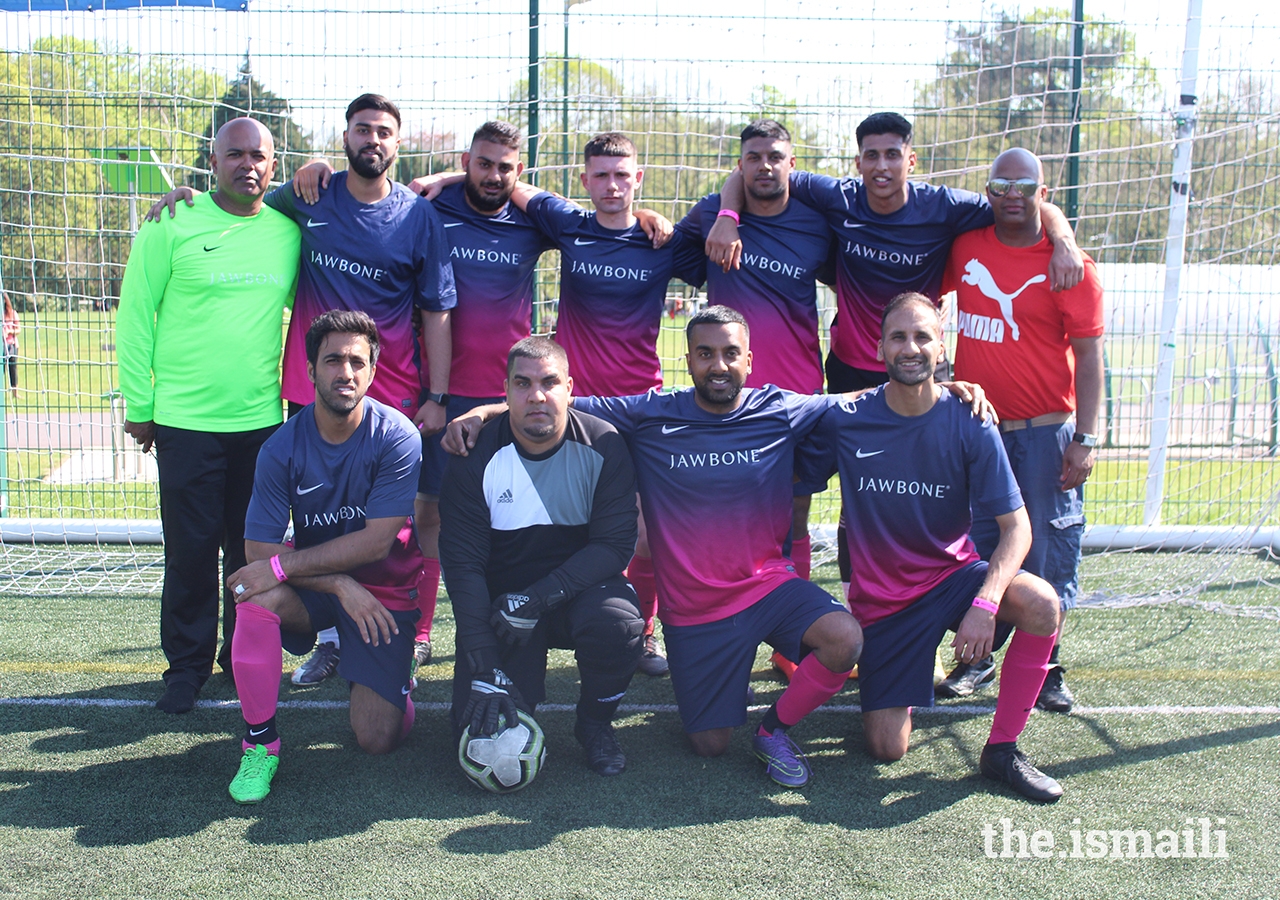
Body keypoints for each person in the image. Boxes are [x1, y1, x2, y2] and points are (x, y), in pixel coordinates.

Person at [445, 307, 867, 788]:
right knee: (710, 744)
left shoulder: (779, 408)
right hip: (696, 611)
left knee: (845, 638)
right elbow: (549, 401)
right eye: (705, 354)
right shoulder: (651, 413)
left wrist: (945, 393)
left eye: (731, 354)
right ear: (686, 360)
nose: (718, 365)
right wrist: (483, 412)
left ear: (749, 360)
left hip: (768, 587)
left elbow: (858, 401)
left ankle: (767, 732)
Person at [146, 94, 456, 687]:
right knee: (318, 518)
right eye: (362, 129)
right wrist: (185, 200)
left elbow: (437, 310)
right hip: (312, 394)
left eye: (384, 132)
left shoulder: (419, 216)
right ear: (345, 137)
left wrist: (437, 395)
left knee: (398, 523)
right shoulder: (306, 196)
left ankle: (402, 635)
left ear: (397, 142)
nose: (373, 140)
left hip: (391, 397)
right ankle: (334, 637)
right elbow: (241, 199)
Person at [708, 110, 1084, 595]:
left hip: (921, 373)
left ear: (911, 159)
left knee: (932, 496)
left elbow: (1018, 198)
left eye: (892, 155)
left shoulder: (943, 207)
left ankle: (930, 604)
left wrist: (1064, 237)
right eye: (871, 156)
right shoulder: (837, 197)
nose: (881, 166)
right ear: (858, 161)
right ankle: (854, 607)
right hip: (851, 373)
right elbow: (752, 170)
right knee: (857, 498)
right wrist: (726, 216)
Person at [413, 131, 685, 677]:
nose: (612, 185)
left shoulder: (666, 242)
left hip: (641, 403)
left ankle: (645, 634)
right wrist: (447, 176)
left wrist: (660, 215)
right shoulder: (568, 225)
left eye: (622, 174)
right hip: (571, 405)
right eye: (600, 175)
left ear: (639, 178)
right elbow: (516, 188)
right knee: (472, 512)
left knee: (645, 530)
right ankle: (424, 632)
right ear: (584, 181)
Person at [797, 292, 1064, 802]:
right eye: (898, 337)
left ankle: (1002, 750)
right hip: (885, 606)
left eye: (923, 336)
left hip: (951, 580)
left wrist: (985, 606)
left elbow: (1018, 528)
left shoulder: (970, 418)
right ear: (880, 349)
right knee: (885, 747)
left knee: (1043, 604)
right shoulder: (847, 417)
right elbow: (792, 474)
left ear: (941, 349)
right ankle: (906, 665)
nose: (911, 347)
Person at [117, 117, 300, 714]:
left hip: (261, 425)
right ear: (213, 162)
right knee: (191, 550)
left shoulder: (287, 233)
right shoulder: (171, 222)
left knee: (250, 552)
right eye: (235, 155)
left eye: (260, 157)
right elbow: (136, 317)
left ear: (274, 167)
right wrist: (141, 409)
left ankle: (238, 653)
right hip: (184, 423)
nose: (248, 165)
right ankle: (186, 668)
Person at [223, 310, 424, 804]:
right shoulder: (280, 448)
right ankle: (260, 743)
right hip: (323, 588)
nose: (346, 372)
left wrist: (292, 568)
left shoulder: (398, 438)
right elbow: (259, 553)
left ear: (373, 371)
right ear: (310, 370)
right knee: (253, 595)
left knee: (377, 739)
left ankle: (395, 688)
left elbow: (377, 542)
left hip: (383, 592)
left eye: (358, 361)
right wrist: (337, 584)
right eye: (333, 360)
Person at [934, 148, 1105, 713]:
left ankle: (1047, 664)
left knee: (1050, 548)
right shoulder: (967, 247)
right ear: (987, 191)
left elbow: (1089, 356)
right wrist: (940, 377)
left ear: (1043, 193)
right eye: (1000, 184)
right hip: (978, 430)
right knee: (979, 545)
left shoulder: (1070, 265)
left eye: (1023, 185)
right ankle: (977, 658)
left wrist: (1085, 438)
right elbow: (933, 305)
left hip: (1044, 432)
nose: (1011, 194)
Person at [672, 118, 837, 678]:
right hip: (730, 396)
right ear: (739, 165)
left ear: (792, 162)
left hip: (796, 396)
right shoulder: (709, 217)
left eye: (776, 156)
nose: (765, 166)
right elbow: (667, 250)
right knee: (729, 515)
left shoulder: (818, 223)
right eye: (754, 157)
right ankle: (720, 623)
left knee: (794, 512)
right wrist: (722, 213)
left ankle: (791, 641)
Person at [438, 337, 644, 777]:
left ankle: (595, 726)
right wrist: (483, 658)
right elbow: (463, 565)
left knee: (620, 624)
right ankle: (503, 678)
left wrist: (538, 598)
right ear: (506, 391)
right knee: (479, 734)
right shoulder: (473, 456)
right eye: (523, 383)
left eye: (549, 382)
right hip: (503, 612)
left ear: (570, 387)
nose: (537, 395)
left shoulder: (603, 444)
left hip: (575, 594)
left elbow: (614, 545)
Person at [2, 292, 18, 400]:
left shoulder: (12, 313)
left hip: (11, 344)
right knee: (1, 369)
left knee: (13, 369)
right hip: (1, 345)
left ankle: (15, 393)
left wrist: (9, 331)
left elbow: (19, 329)